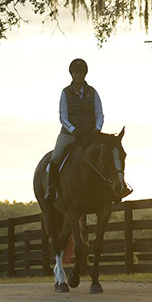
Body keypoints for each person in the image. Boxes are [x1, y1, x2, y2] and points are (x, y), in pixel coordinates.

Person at [45, 58, 104, 201]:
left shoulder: (93, 92)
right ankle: (50, 189)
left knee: (106, 153)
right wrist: (73, 130)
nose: (78, 75)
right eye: (76, 73)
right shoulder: (65, 93)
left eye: (81, 73)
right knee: (56, 157)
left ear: (85, 74)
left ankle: (111, 188)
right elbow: (63, 117)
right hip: (70, 134)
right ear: (72, 74)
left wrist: (97, 129)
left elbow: (99, 114)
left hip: (90, 134)